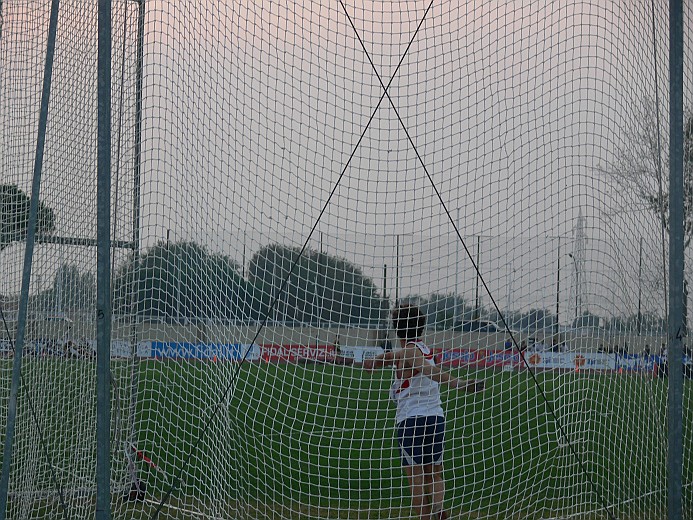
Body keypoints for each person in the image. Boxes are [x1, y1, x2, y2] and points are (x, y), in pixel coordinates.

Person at [362, 304, 484, 520]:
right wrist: (374, 362)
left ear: (397, 329)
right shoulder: (423, 349)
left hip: (411, 420)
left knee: (415, 477)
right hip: (435, 419)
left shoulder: (409, 351)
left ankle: (426, 517)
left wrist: (462, 384)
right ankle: (438, 508)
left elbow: (429, 371)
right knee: (434, 471)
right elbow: (390, 357)